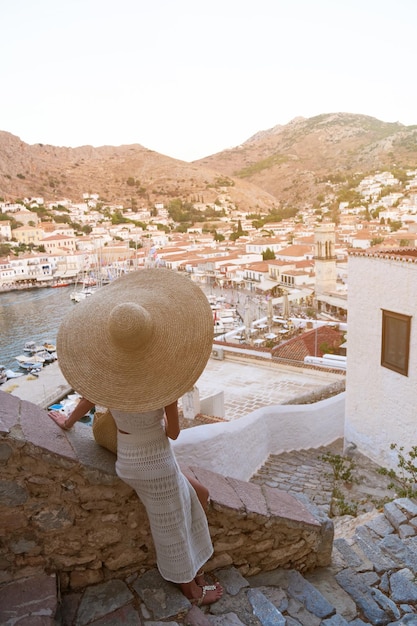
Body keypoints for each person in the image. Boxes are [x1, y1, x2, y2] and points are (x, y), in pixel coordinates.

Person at [54, 268, 223, 607]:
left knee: (196, 496)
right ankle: (191, 589)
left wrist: (67, 421)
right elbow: (173, 434)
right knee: (171, 526)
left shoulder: (110, 378)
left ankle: (198, 569)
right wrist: (169, 406)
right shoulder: (163, 388)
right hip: (155, 463)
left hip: (130, 458)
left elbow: (84, 400)